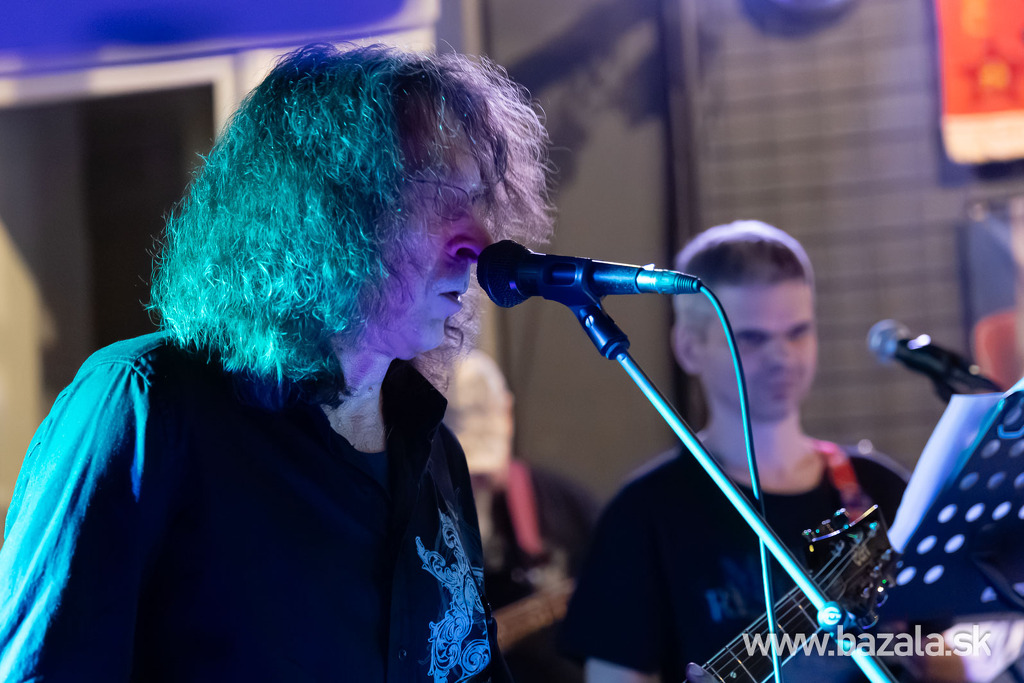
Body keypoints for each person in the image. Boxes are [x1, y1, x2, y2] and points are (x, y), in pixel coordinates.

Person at [0, 43, 553, 682]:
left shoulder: (434, 454)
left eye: (481, 201)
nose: (480, 243)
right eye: (441, 197)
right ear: (326, 211)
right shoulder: (146, 405)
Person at [558, 221, 912, 683]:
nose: (783, 356)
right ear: (689, 348)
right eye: (752, 338)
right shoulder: (643, 514)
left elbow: (946, 650)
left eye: (798, 332)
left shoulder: (879, 486)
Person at [445, 349, 599, 683]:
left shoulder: (570, 508)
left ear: (508, 414)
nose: (478, 481)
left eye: (486, 468)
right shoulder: (407, 519)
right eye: (468, 466)